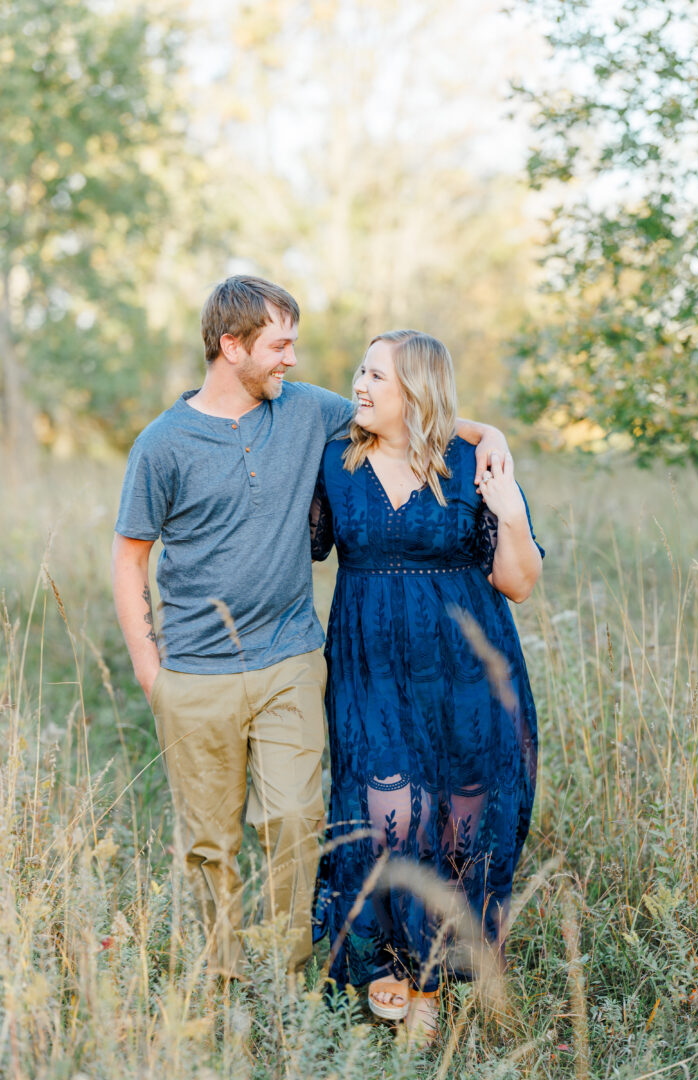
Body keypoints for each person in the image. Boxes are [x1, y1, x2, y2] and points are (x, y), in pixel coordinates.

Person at [111, 277, 510, 979]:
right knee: (210, 842)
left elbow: (409, 411)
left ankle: (290, 974)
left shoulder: (306, 411)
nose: (292, 358)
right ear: (231, 347)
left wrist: (489, 433)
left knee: (294, 823)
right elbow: (129, 555)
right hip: (194, 674)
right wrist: (150, 668)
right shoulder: (162, 445)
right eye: (279, 344)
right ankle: (226, 977)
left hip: (291, 658)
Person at [310, 329, 544, 1041]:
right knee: (383, 805)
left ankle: (434, 974)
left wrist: (510, 511)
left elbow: (520, 582)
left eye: (377, 376)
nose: (360, 384)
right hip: (370, 664)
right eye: (360, 371)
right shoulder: (334, 461)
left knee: (460, 813)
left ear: (415, 389)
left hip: (466, 664)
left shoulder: (477, 461)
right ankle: (382, 960)